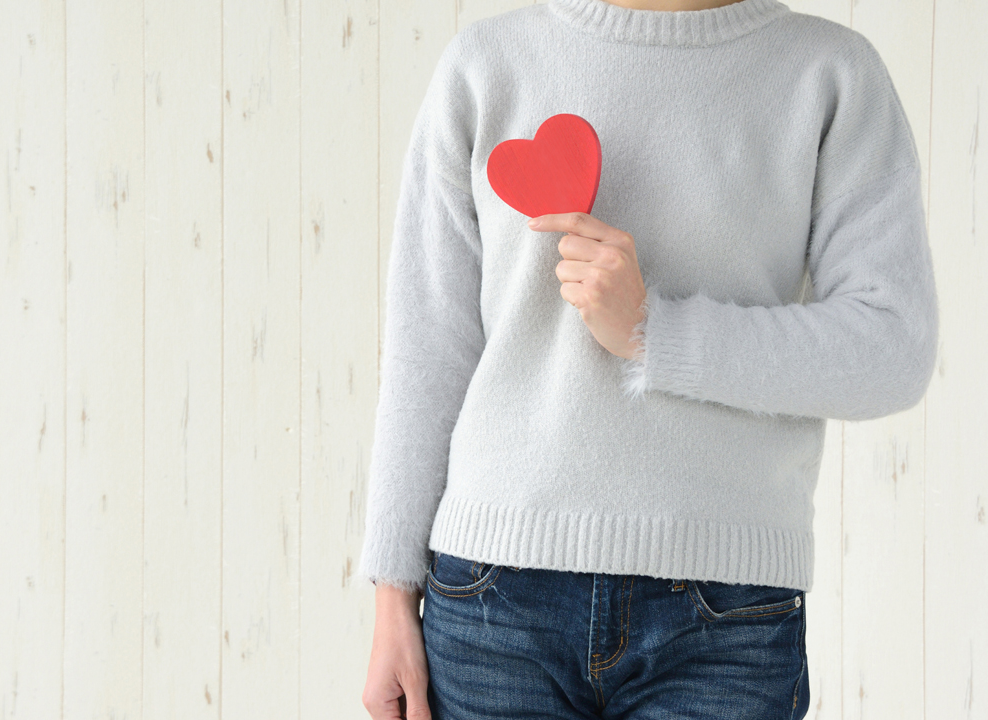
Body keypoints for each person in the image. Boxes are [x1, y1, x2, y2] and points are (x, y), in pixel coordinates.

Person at [356, 0, 940, 717]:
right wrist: (392, 594)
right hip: (490, 607)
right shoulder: (486, 65)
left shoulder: (830, 76)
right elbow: (428, 348)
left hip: (726, 623)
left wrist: (653, 334)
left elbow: (890, 345)